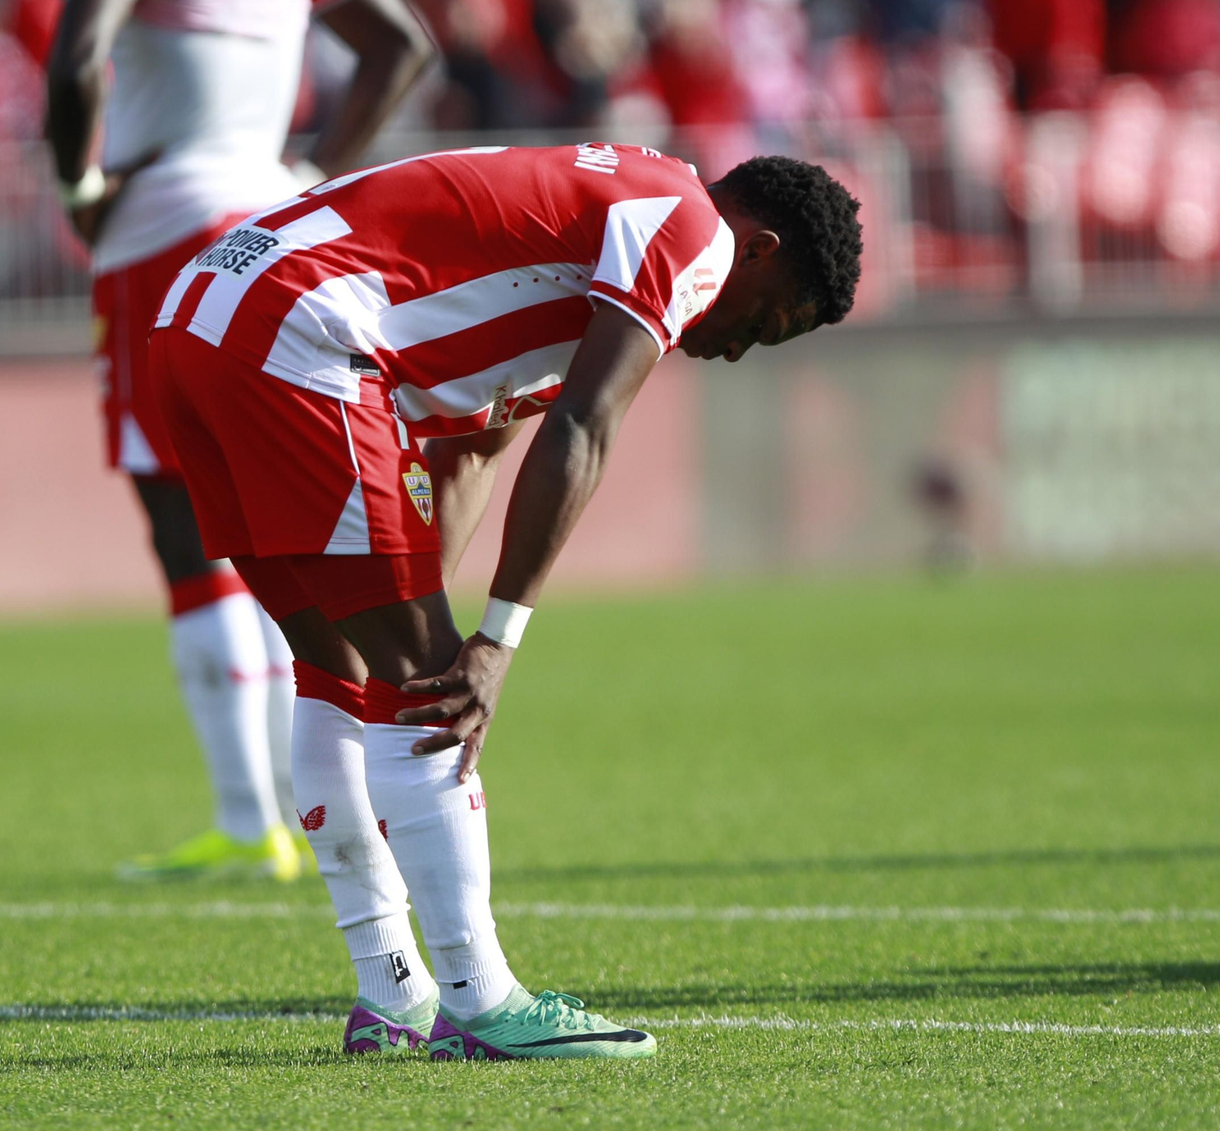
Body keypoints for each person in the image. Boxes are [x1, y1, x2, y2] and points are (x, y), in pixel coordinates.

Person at [146, 143, 863, 1058]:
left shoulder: (588, 241)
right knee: (428, 686)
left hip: (199, 321)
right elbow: (585, 426)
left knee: (341, 669)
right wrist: (490, 641)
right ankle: (482, 1003)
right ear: (756, 251)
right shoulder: (690, 230)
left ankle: (390, 999)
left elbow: (476, 450)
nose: (730, 350)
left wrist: (418, 605)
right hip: (303, 334)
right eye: (764, 325)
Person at [45, 0, 433, 882]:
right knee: (276, 510)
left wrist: (77, 186)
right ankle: (308, 801)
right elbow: (400, 43)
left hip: (164, 227)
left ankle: (251, 813)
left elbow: (73, 59)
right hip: (273, 224)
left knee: (183, 522)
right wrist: (315, 169)